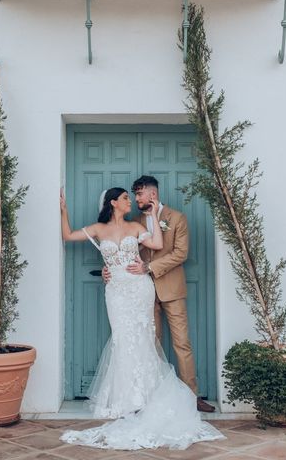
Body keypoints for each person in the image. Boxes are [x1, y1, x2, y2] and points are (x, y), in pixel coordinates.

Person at [59, 187, 224, 450]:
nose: (130, 201)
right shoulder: (99, 230)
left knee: (145, 338)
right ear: (113, 203)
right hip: (116, 292)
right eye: (125, 198)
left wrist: (157, 217)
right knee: (122, 339)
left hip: (139, 288)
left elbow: (157, 245)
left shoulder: (136, 227)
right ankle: (126, 398)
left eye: (130, 197)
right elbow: (67, 235)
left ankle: (147, 396)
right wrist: (63, 209)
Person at [104, 175, 216, 413]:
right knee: (149, 344)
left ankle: (191, 397)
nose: (136, 199)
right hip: (139, 292)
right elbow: (122, 253)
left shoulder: (177, 218)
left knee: (181, 344)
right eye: (133, 195)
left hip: (171, 289)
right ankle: (151, 396)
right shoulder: (133, 221)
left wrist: (150, 267)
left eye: (140, 194)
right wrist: (109, 269)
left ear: (152, 195)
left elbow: (180, 253)